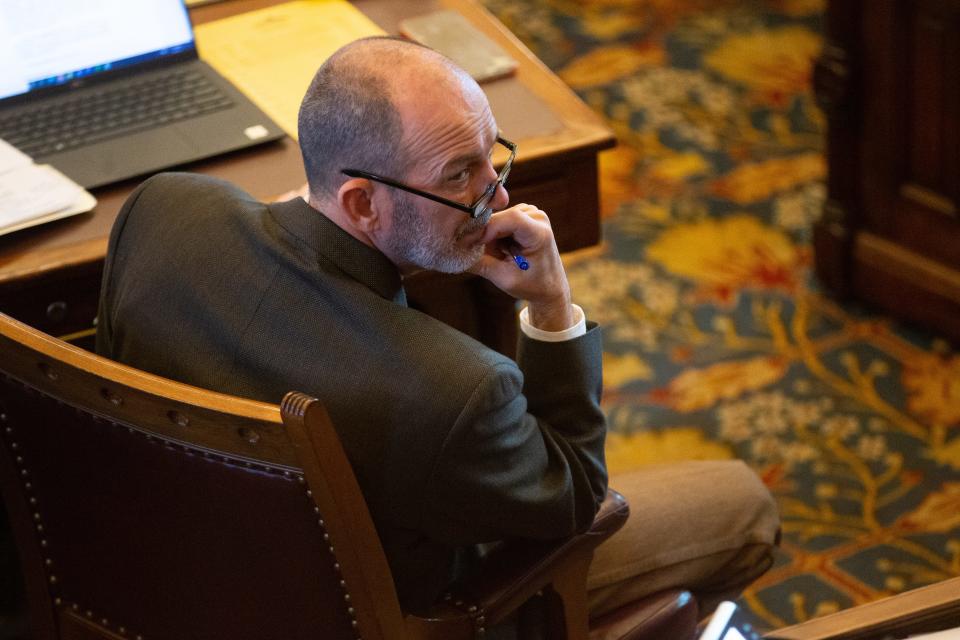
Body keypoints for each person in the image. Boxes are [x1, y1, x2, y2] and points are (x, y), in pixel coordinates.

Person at [96, 36, 779, 628]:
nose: (500, 197)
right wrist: (550, 306)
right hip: (406, 617)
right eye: (459, 176)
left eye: (491, 156)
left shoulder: (162, 210)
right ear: (363, 203)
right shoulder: (454, 392)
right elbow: (573, 493)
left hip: (164, 577)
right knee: (742, 508)